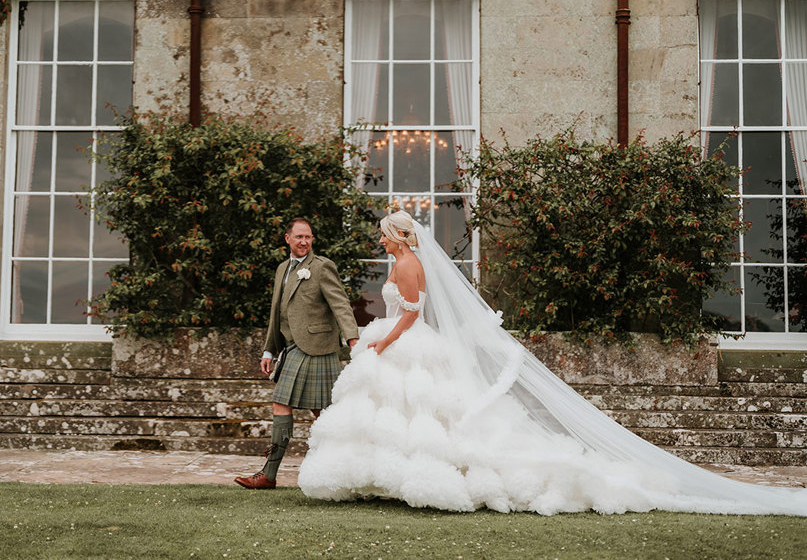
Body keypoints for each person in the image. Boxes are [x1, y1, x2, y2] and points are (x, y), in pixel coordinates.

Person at [298, 209, 807, 515]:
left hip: (405, 340)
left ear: (398, 235)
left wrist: (380, 345)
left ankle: (418, 478)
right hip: (396, 339)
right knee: (397, 416)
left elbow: (410, 315)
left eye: (384, 235)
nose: (380, 241)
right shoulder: (400, 261)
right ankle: (384, 478)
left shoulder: (408, 265)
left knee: (419, 413)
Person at [234, 217, 359, 490]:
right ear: (287, 238)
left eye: (308, 237)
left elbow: (341, 305)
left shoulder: (322, 267)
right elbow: (276, 313)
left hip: (317, 347)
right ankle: (270, 474)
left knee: (320, 412)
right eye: (299, 237)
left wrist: (353, 342)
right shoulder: (282, 268)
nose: (304, 242)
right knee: (300, 407)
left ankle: (347, 468)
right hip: (291, 348)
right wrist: (269, 349)